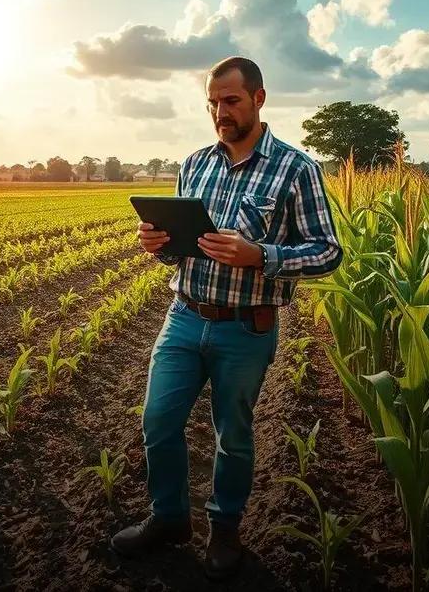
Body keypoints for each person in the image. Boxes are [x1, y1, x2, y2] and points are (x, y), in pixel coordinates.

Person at [111, 56, 343, 579]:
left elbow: (328, 251)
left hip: (247, 325)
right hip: (185, 315)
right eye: (213, 103)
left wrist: (259, 255)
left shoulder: (297, 168)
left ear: (259, 99)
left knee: (231, 434)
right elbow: (182, 247)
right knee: (157, 421)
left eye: (231, 101)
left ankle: (225, 531)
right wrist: (159, 245)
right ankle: (169, 518)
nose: (220, 111)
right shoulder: (194, 164)